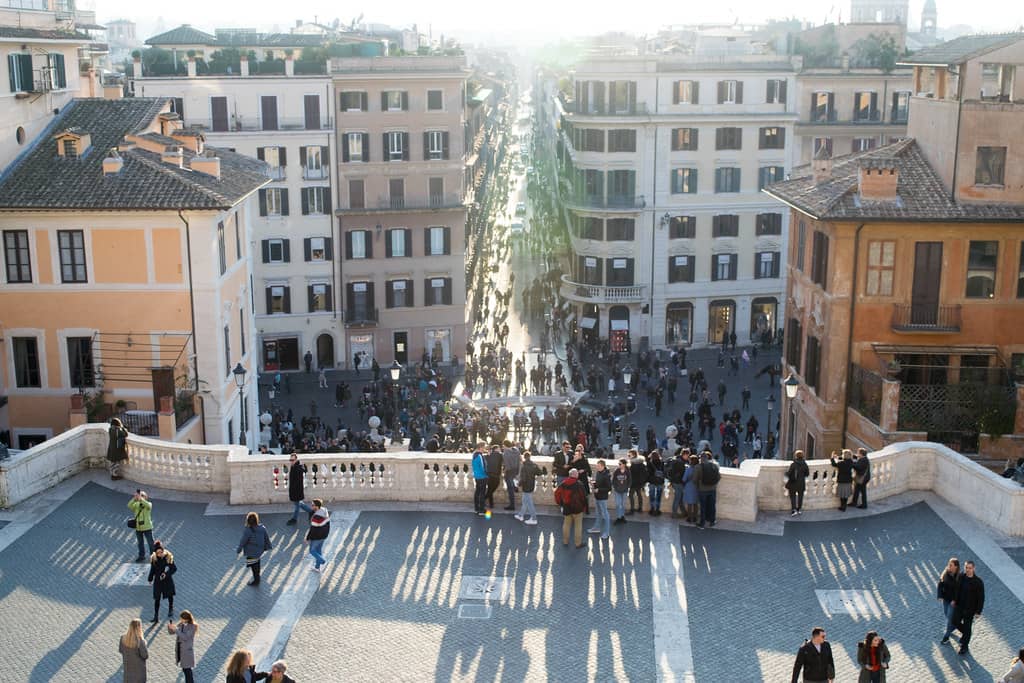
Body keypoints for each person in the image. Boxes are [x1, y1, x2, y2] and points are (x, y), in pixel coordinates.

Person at [947, 559, 985, 655]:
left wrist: (978, 611)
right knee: (955, 621)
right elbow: (957, 589)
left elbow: (981, 598)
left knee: (967, 626)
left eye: (970, 568)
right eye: (966, 568)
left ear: (974, 568)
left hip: (970, 609)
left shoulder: (978, 582)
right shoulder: (961, 576)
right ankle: (966, 635)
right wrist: (954, 600)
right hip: (960, 606)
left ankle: (964, 647)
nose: (968, 570)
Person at [554, 467, 587, 548]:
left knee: (566, 524)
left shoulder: (563, 483)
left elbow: (556, 493)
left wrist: (560, 503)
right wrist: (584, 507)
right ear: (575, 475)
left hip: (567, 507)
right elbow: (584, 497)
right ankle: (578, 543)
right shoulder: (579, 484)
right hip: (577, 508)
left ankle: (565, 541)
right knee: (578, 526)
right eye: (577, 473)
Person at [236, 512, 272, 586]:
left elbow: (243, 541)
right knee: (257, 562)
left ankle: (256, 580)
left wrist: (239, 549)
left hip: (251, 551)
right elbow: (266, 538)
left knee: (253, 565)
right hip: (259, 550)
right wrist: (267, 547)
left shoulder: (248, 530)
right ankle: (257, 577)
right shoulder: (262, 528)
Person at [147, 540, 176, 623]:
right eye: (158, 552)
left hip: (167, 580)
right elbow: (152, 570)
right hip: (158, 581)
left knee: (170, 595)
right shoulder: (154, 559)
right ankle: (156, 616)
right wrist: (150, 579)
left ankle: (171, 608)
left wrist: (166, 574)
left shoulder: (168, 557)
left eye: (161, 551)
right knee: (157, 598)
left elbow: (174, 569)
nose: (160, 554)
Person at [168, 610, 198, 683]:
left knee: (187, 670)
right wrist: (170, 628)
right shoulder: (182, 624)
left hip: (187, 652)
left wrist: (176, 630)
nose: (180, 620)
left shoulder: (192, 626)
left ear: (187, 618)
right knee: (185, 669)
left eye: (182, 618)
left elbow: (185, 637)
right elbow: (172, 632)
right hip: (181, 650)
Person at [118, 618, 148, 683]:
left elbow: (121, 650)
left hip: (128, 669)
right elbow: (145, 656)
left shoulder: (123, 638)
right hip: (139, 671)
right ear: (139, 628)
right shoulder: (140, 642)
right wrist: (145, 644)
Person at [514, 450, 540, 525]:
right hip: (531, 485)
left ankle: (534, 518)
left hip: (526, 486)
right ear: (530, 457)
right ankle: (520, 515)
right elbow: (539, 472)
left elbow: (523, 478)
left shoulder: (524, 466)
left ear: (524, 457)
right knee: (525, 501)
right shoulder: (534, 464)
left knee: (529, 503)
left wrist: (518, 484)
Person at [937, 557, 960, 638]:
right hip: (946, 599)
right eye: (949, 564)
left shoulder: (959, 576)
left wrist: (955, 600)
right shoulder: (946, 573)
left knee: (950, 617)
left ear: (956, 566)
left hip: (953, 601)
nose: (949, 566)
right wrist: (939, 596)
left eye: (951, 565)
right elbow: (940, 584)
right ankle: (955, 626)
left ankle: (947, 634)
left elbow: (959, 591)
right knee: (946, 614)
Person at [695, 451, 720, 528]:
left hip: (703, 490)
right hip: (712, 489)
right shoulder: (714, 466)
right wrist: (713, 485)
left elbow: (695, 479)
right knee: (712, 505)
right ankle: (712, 521)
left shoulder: (698, 467)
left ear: (700, 459)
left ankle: (702, 523)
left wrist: (698, 486)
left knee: (703, 506)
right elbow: (719, 477)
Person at [128, 490, 154, 562]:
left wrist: (141, 499)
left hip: (147, 527)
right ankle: (141, 556)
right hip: (138, 528)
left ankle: (153, 557)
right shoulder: (136, 505)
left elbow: (148, 506)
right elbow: (129, 505)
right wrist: (134, 498)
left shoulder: (148, 504)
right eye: (140, 495)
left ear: (145, 497)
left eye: (142, 496)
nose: (140, 497)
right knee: (140, 543)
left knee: (150, 543)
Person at [588, 459, 612, 539]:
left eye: (598, 466)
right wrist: (594, 483)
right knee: (598, 513)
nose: (596, 467)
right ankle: (597, 528)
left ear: (603, 466)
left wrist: (599, 490)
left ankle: (607, 533)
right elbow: (599, 483)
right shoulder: (599, 472)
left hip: (603, 498)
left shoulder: (607, 475)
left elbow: (609, 488)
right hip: (597, 496)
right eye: (597, 465)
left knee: (605, 515)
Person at [306, 498, 330, 572]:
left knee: (312, 550)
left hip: (317, 536)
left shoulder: (316, 517)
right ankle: (317, 567)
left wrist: (307, 538)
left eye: (313, 505)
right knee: (318, 551)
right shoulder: (325, 510)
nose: (311, 506)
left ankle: (323, 561)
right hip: (324, 535)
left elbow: (313, 529)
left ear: (317, 506)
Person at [285, 453, 307, 526]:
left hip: (297, 490)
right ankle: (311, 511)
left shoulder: (298, 468)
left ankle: (294, 519)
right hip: (294, 489)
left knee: (297, 505)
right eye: (290, 460)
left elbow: (298, 481)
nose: (291, 461)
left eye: (293, 460)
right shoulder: (293, 466)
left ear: (296, 459)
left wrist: (293, 490)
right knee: (299, 504)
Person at [786, 450, 810, 516]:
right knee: (800, 496)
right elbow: (807, 474)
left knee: (793, 496)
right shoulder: (805, 464)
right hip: (801, 483)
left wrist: (786, 473)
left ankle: (794, 510)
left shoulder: (793, 464)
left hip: (793, 483)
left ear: (796, 456)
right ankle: (799, 509)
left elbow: (789, 473)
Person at [666, 448, 687, 519]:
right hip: (678, 482)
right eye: (687, 455)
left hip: (675, 482)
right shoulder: (680, 462)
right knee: (678, 498)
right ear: (684, 454)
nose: (688, 457)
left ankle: (684, 512)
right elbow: (682, 474)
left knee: (680, 498)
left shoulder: (677, 460)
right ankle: (674, 514)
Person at [502, 440, 521, 511]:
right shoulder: (516, 450)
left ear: (505, 445)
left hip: (509, 471)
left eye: (503, 445)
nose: (502, 447)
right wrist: (517, 471)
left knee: (510, 489)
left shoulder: (506, 452)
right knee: (511, 483)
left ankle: (512, 505)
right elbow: (519, 461)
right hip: (515, 470)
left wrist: (504, 471)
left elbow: (506, 464)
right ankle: (515, 487)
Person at [611, 458, 631, 525]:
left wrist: (627, 487)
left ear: (624, 465)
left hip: (624, 490)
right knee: (618, 504)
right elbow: (613, 480)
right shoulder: (617, 471)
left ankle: (622, 517)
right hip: (617, 490)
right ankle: (618, 517)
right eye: (618, 464)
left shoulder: (627, 471)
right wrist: (615, 487)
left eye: (620, 464)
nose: (619, 465)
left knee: (623, 505)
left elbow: (629, 480)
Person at [628, 448, 647, 514]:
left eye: (629, 455)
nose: (629, 456)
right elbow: (645, 474)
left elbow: (631, 473)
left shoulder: (633, 463)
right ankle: (640, 508)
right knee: (639, 495)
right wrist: (643, 483)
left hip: (634, 482)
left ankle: (632, 509)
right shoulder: (642, 463)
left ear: (633, 455)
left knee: (631, 495)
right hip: (640, 483)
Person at [682, 453, 700, 523]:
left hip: (689, 487)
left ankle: (689, 517)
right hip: (697, 487)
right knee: (695, 503)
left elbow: (684, 479)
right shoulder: (699, 469)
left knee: (689, 503)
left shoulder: (688, 469)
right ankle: (695, 517)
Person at [485, 444, 504, 510]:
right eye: (499, 448)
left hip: (489, 474)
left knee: (490, 489)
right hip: (496, 474)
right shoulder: (500, 455)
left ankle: (491, 504)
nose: (500, 449)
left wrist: (488, 454)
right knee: (492, 488)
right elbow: (503, 463)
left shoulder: (488, 455)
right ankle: (486, 500)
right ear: (496, 449)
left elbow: (485, 460)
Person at [472, 442, 488, 516]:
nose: (485, 449)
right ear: (481, 447)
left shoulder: (474, 455)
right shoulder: (479, 456)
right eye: (484, 447)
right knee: (482, 493)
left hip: (477, 476)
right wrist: (486, 474)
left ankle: (476, 508)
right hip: (482, 476)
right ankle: (481, 510)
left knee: (477, 492)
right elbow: (482, 467)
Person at [647, 450, 665, 516]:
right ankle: (657, 509)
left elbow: (648, 473)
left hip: (652, 481)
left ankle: (652, 509)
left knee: (652, 496)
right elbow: (664, 472)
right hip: (660, 481)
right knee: (658, 496)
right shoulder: (662, 463)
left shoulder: (649, 463)